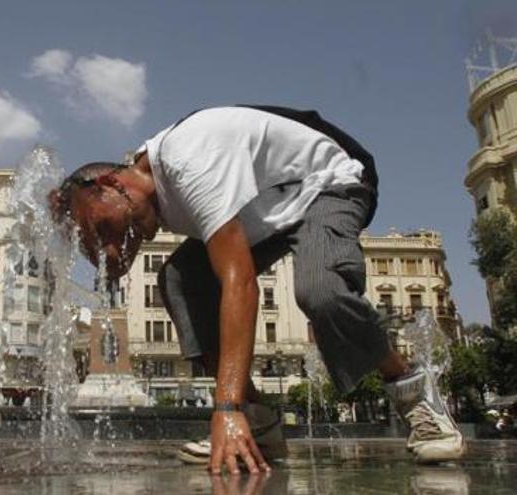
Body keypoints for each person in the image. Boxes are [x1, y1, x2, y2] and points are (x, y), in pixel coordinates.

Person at [49, 105, 464, 474]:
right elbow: (115, 257)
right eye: (96, 242)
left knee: (320, 291)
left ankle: (413, 392)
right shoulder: (147, 192)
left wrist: (224, 408)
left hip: (326, 185)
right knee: (179, 278)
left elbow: (240, 281)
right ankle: (260, 424)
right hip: (269, 213)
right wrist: (83, 236)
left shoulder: (188, 160)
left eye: (103, 228)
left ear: (108, 181)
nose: (108, 244)